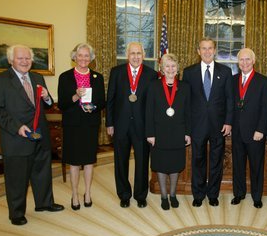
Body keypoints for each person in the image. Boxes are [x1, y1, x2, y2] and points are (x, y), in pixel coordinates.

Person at [0, 45, 64, 225]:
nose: (24, 61)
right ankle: (16, 213)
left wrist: (47, 97)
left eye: (28, 58)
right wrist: (17, 127)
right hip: (16, 137)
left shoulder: (37, 77)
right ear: (11, 60)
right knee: (17, 178)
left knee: (42, 173)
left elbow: (47, 104)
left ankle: (44, 203)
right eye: (20, 58)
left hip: (40, 135)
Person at [182, 37, 233, 207]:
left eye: (210, 48)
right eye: (203, 48)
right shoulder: (189, 72)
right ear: (198, 51)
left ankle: (213, 194)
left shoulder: (225, 72)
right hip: (197, 124)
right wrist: (187, 127)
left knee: (216, 160)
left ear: (215, 50)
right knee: (198, 160)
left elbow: (229, 99)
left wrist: (228, 121)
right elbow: (186, 102)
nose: (207, 51)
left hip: (218, 125)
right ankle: (198, 194)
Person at [106, 42, 157, 208]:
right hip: (120, 125)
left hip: (142, 126)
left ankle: (141, 195)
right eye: (132, 53)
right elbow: (111, 100)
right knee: (121, 161)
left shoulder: (151, 74)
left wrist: (152, 129)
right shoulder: (116, 72)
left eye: (139, 53)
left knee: (142, 162)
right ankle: (124, 194)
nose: (136, 57)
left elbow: (152, 105)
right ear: (127, 55)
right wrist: (109, 123)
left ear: (143, 55)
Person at [57, 43, 105, 211]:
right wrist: (76, 95)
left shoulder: (97, 77)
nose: (83, 58)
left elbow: (101, 102)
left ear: (91, 58)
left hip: (90, 124)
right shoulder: (65, 77)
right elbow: (62, 104)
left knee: (89, 161)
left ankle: (88, 193)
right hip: (73, 125)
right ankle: (75, 194)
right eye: (80, 55)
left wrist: (93, 107)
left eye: (87, 56)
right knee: (75, 162)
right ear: (74, 57)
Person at [146, 54, 191, 210]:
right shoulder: (153, 86)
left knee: (175, 165)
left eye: (173, 66)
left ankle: (173, 194)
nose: (170, 69)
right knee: (160, 164)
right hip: (159, 133)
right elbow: (149, 111)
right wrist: (150, 133)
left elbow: (188, 112)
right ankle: (164, 196)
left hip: (178, 132)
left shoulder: (185, 87)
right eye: (167, 66)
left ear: (177, 68)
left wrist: (188, 132)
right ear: (161, 69)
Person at [230, 48, 267, 209]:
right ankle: (238, 193)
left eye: (248, 59)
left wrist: (260, 129)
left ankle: (256, 196)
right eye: (241, 60)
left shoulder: (263, 81)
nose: (245, 63)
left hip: (255, 132)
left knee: (256, 165)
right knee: (238, 165)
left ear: (254, 61)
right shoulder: (232, 80)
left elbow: (265, 108)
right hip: (237, 131)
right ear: (238, 62)